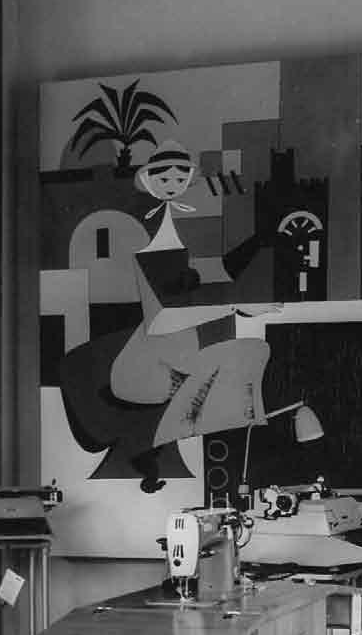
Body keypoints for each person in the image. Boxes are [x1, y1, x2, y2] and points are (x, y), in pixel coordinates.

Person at [60, 140, 279, 491]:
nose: (173, 184)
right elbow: (163, 319)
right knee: (233, 366)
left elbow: (217, 269)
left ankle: (148, 458)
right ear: (150, 181)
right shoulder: (151, 247)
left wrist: (257, 241)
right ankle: (148, 457)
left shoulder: (182, 232)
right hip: (148, 366)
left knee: (244, 360)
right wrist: (235, 307)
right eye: (164, 178)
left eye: (181, 178)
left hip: (177, 354)